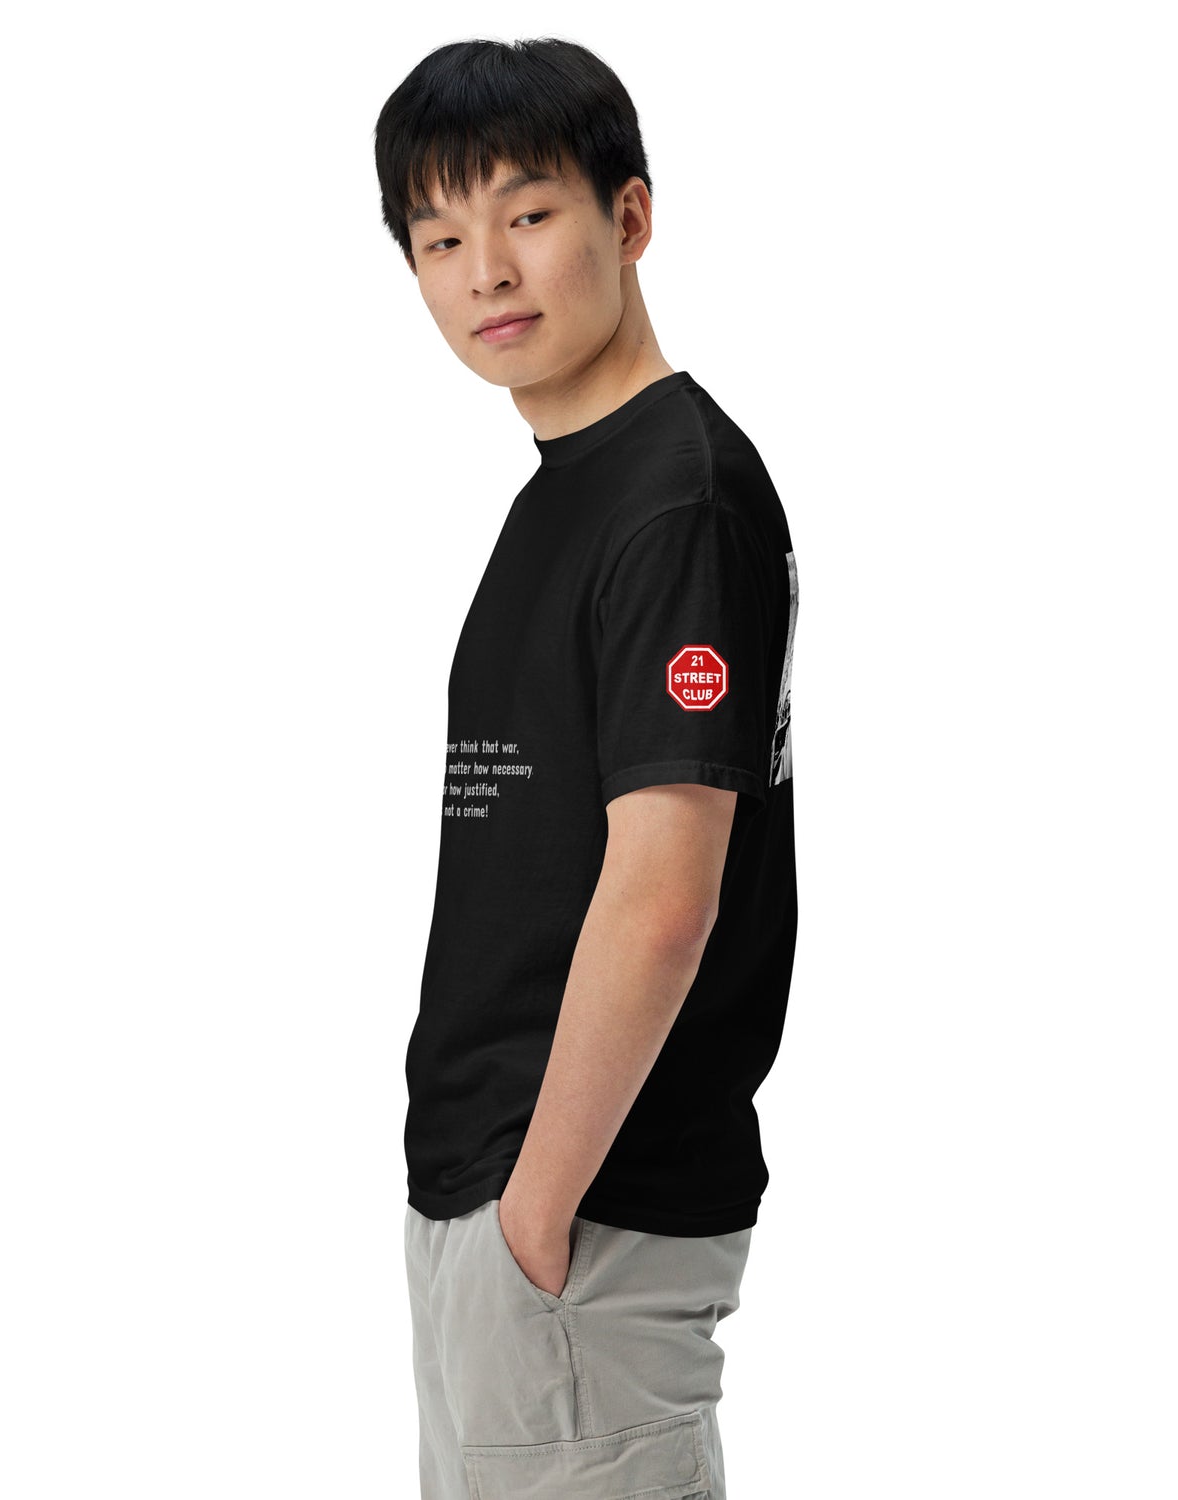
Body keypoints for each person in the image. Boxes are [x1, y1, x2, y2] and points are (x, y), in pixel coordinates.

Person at [375, 36, 800, 1500]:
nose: (486, 269)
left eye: (528, 213)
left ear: (629, 216)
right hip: (504, 1214)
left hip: (582, 1225)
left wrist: (536, 1214)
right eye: (440, 237)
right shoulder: (572, 491)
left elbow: (665, 898)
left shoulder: (677, 498)